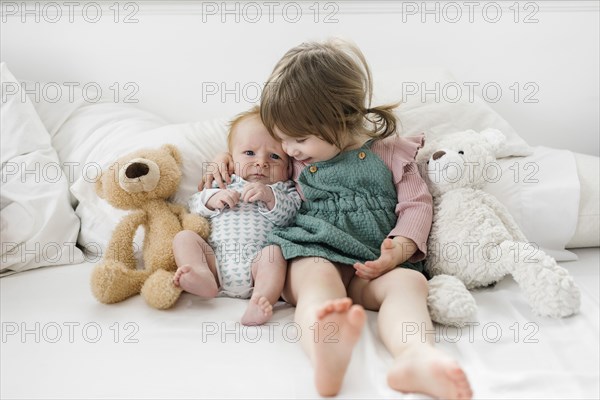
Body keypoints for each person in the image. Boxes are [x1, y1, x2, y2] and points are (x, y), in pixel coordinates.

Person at [203, 39, 473, 399]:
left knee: (410, 287)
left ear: (341, 119)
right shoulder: (296, 159)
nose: (289, 149)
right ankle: (325, 348)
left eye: (298, 138)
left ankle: (416, 356)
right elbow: (253, 145)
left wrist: (400, 250)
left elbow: (417, 205)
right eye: (283, 140)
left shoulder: (392, 153)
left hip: (375, 261)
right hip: (313, 248)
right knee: (316, 286)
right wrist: (225, 157)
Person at [173, 106, 301, 326]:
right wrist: (212, 199)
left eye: (274, 156)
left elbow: (290, 215)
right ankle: (202, 276)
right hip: (215, 259)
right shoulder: (225, 180)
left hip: (256, 264)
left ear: (289, 168)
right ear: (231, 159)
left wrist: (270, 197)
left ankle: (261, 300)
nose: (261, 162)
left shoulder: (284, 189)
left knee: (274, 254)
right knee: (184, 238)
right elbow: (193, 204)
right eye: (249, 153)